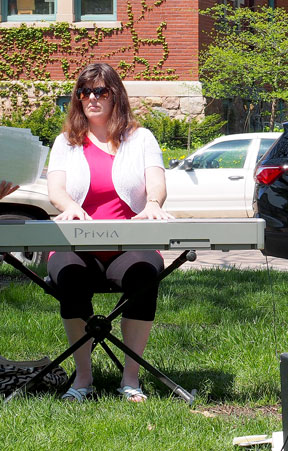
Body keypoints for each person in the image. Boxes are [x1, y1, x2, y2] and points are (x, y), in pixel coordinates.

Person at [46, 62, 173, 402]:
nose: (91, 98)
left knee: (144, 274)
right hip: (76, 243)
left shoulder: (141, 138)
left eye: (100, 91)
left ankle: (130, 379)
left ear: (115, 95)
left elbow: (156, 184)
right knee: (69, 276)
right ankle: (83, 379)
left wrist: (153, 205)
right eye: (84, 92)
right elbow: (56, 189)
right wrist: (68, 206)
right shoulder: (65, 142)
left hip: (128, 243)